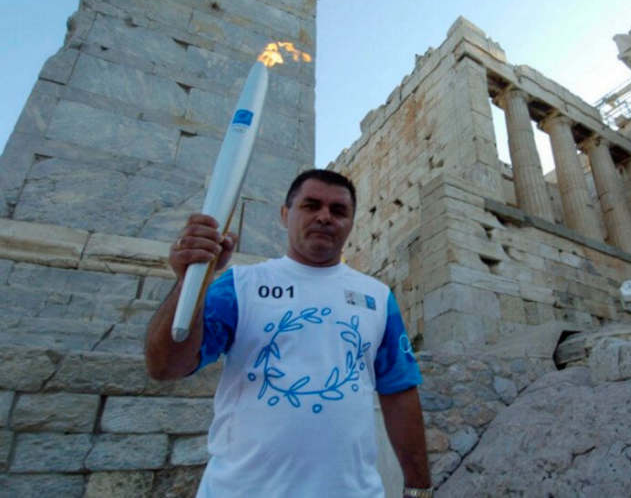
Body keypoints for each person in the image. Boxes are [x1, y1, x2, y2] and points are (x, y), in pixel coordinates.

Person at [145, 169, 432, 497]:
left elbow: (399, 392)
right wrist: (188, 283)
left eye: (338, 210)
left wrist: (419, 488)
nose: (324, 217)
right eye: (311, 205)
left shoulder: (378, 298)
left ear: (352, 223)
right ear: (285, 214)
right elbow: (165, 367)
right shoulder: (240, 285)